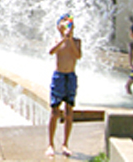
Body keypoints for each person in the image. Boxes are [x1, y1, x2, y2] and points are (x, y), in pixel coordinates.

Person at [46, 13, 82, 158]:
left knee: (69, 111)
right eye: (64, 23)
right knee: (55, 112)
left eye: (69, 24)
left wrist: (70, 39)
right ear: (58, 27)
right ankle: (50, 144)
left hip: (70, 77)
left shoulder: (77, 41)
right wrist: (63, 40)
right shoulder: (56, 40)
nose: (67, 26)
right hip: (59, 76)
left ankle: (65, 144)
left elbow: (78, 55)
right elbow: (51, 51)